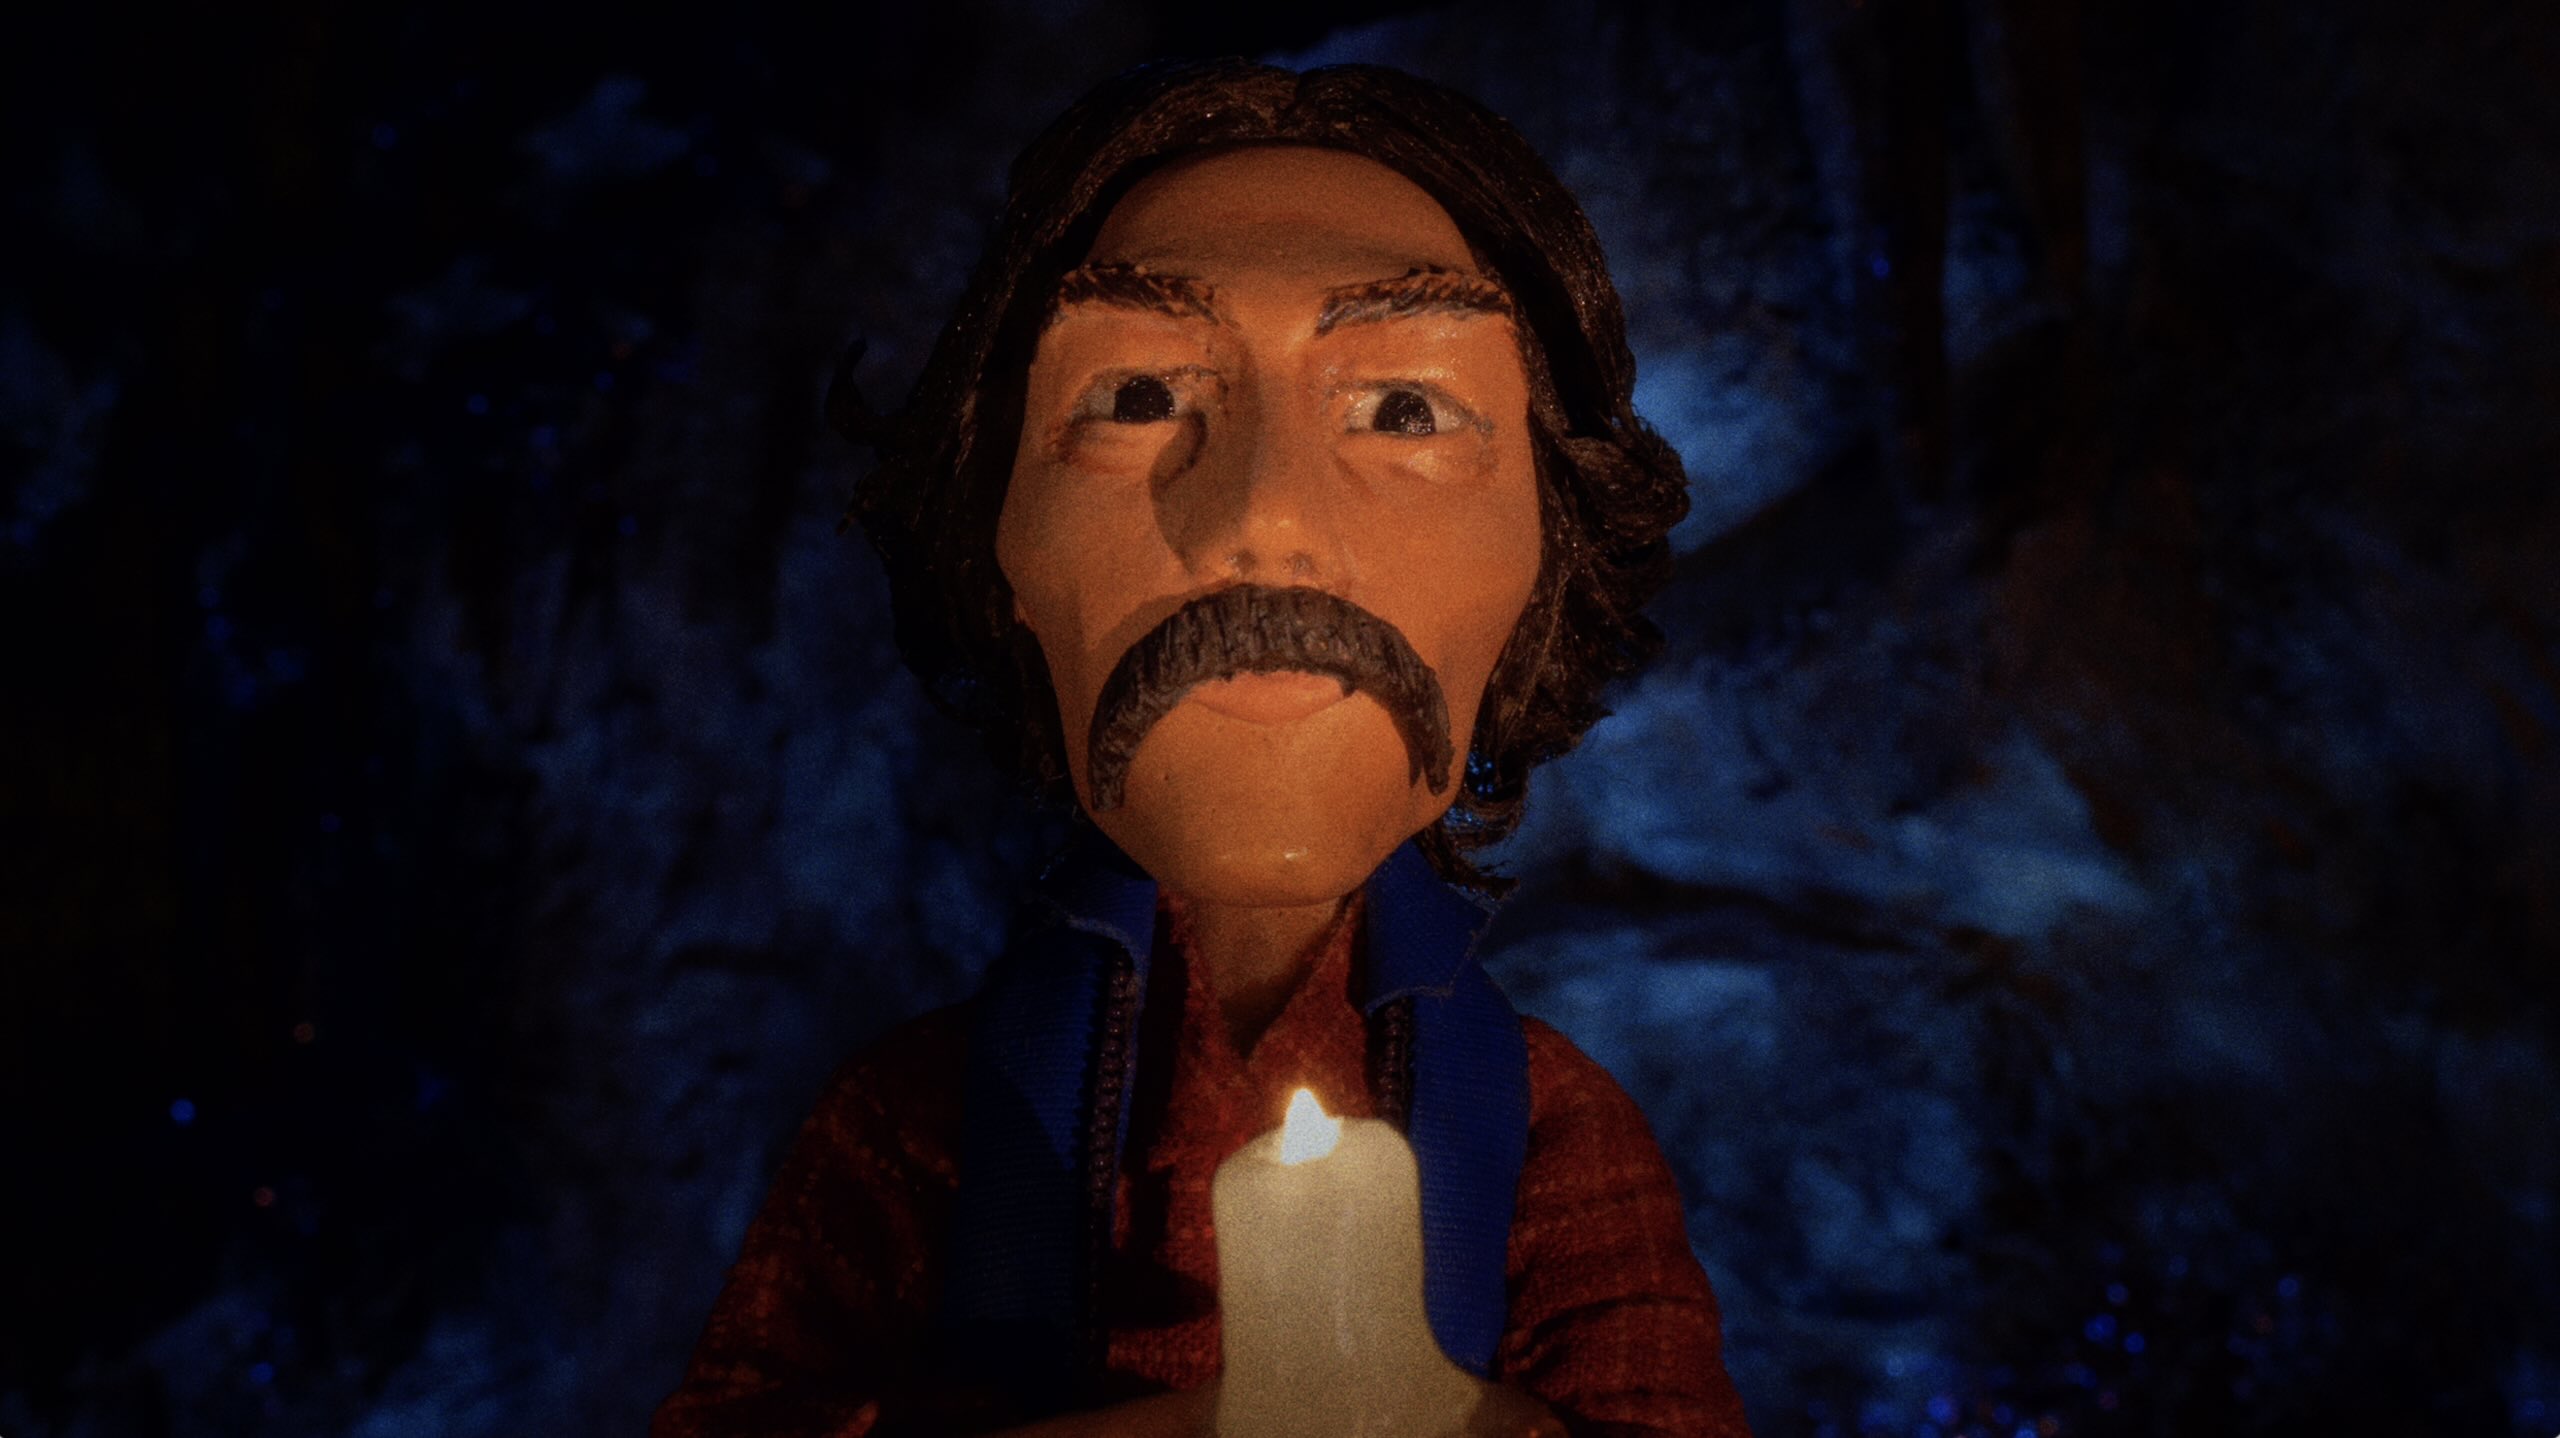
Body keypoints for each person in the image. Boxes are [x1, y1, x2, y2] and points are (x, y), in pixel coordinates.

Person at [651, 59, 1755, 1438]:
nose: (1262, 515)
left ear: (1543, 565)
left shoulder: (1540, 1134)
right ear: (1002, 546)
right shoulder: (918, 1126)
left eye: (1404, 410)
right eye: (1137, 400)